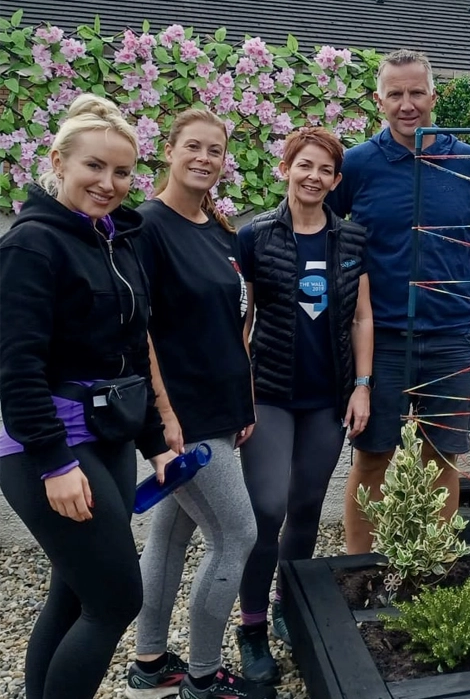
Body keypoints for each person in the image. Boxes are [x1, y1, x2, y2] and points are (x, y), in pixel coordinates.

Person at [0, 94, 176, 699]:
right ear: (58, 162)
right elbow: (16, 367)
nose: (108, 184)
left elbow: (130, 354)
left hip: (110, 437)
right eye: (94, 167)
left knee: (75, 591)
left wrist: (155, 442)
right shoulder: (31, 244)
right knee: (117, 599)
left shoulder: (117, 242)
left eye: (122, 172)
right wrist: (54, 461)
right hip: (47, 443)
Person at [328, 48, 470, 554]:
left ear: (434, 96)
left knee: (443, 459)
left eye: (417, 92)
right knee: (372, 459)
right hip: (381, 343)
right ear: (379, 100)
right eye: (395, 94)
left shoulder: (469, 162)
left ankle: (431, 569)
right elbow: (316, 226)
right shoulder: (356, 165)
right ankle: (360, 570)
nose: (407, 103)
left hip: (451, 339)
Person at [124, 110, 270, 699]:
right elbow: (142, 333)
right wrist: (165, 417)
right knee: (238, 535)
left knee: (171, 534)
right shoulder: (145, 227)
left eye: (215, 150)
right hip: (185, 416)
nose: (204, 159)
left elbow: (234, 323)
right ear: (169, 150)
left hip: (223, 404)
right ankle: (204, 678)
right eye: (193, 147)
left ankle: (151, 663)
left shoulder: (218, 230)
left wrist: (247, 398)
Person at [234, 127, 373, 683]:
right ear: (286, 169)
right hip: (268, 394)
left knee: (307, 507)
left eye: (324, 170)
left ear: (335, 181)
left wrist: (362, 384)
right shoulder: (254, 236)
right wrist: (237, 386)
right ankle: (251, 625)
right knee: (266, 509)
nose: (313, 177)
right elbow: (241, 317)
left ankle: (290, 608)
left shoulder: (351, 239)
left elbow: (363, 317)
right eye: (304, 166)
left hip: (327, 399)